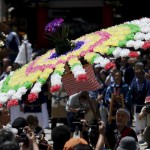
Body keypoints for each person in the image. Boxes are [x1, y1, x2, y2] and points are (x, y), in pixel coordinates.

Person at [130, 62, 150, 144]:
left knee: (146, 122)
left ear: (143, 73)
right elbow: (131, 92)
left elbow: (149, 93)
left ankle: (147, 138)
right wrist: (131, 103)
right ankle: (142, 136)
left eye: (140, 74)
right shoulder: (134, 82)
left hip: (145, 105)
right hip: (137, 105)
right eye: (137, 74)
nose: (139, 76)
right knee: (139, 122)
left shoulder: (148, 82)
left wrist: (147, 104)